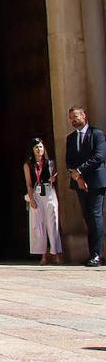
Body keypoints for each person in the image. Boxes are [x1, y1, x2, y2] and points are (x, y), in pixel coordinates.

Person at [65, 106, 106, 266]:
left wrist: (79, 171)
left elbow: (99, 157)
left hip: (96, 181)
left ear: (84, 116)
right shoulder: (70, 138)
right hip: (79, 183)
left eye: (75, 116)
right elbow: (69, 160)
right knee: (87, 217)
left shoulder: (97, 134)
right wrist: (77, 177)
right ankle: (92, 253)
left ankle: (97, 254)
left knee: (96, 216)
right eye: (70, 118)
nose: (73, 120)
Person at [23, 137, 61, 264]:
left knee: (52, 222)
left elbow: (56, 177)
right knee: (38, 224)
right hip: (36, 193)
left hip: (49, 191)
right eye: (36, 147)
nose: (38, 149)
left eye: (40, 146)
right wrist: (31, 199)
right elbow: (28, 183)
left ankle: (56, 254)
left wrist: (54, 179)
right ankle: (43, 255)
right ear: (32, 150)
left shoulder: (50, 163)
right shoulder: (28, 164)